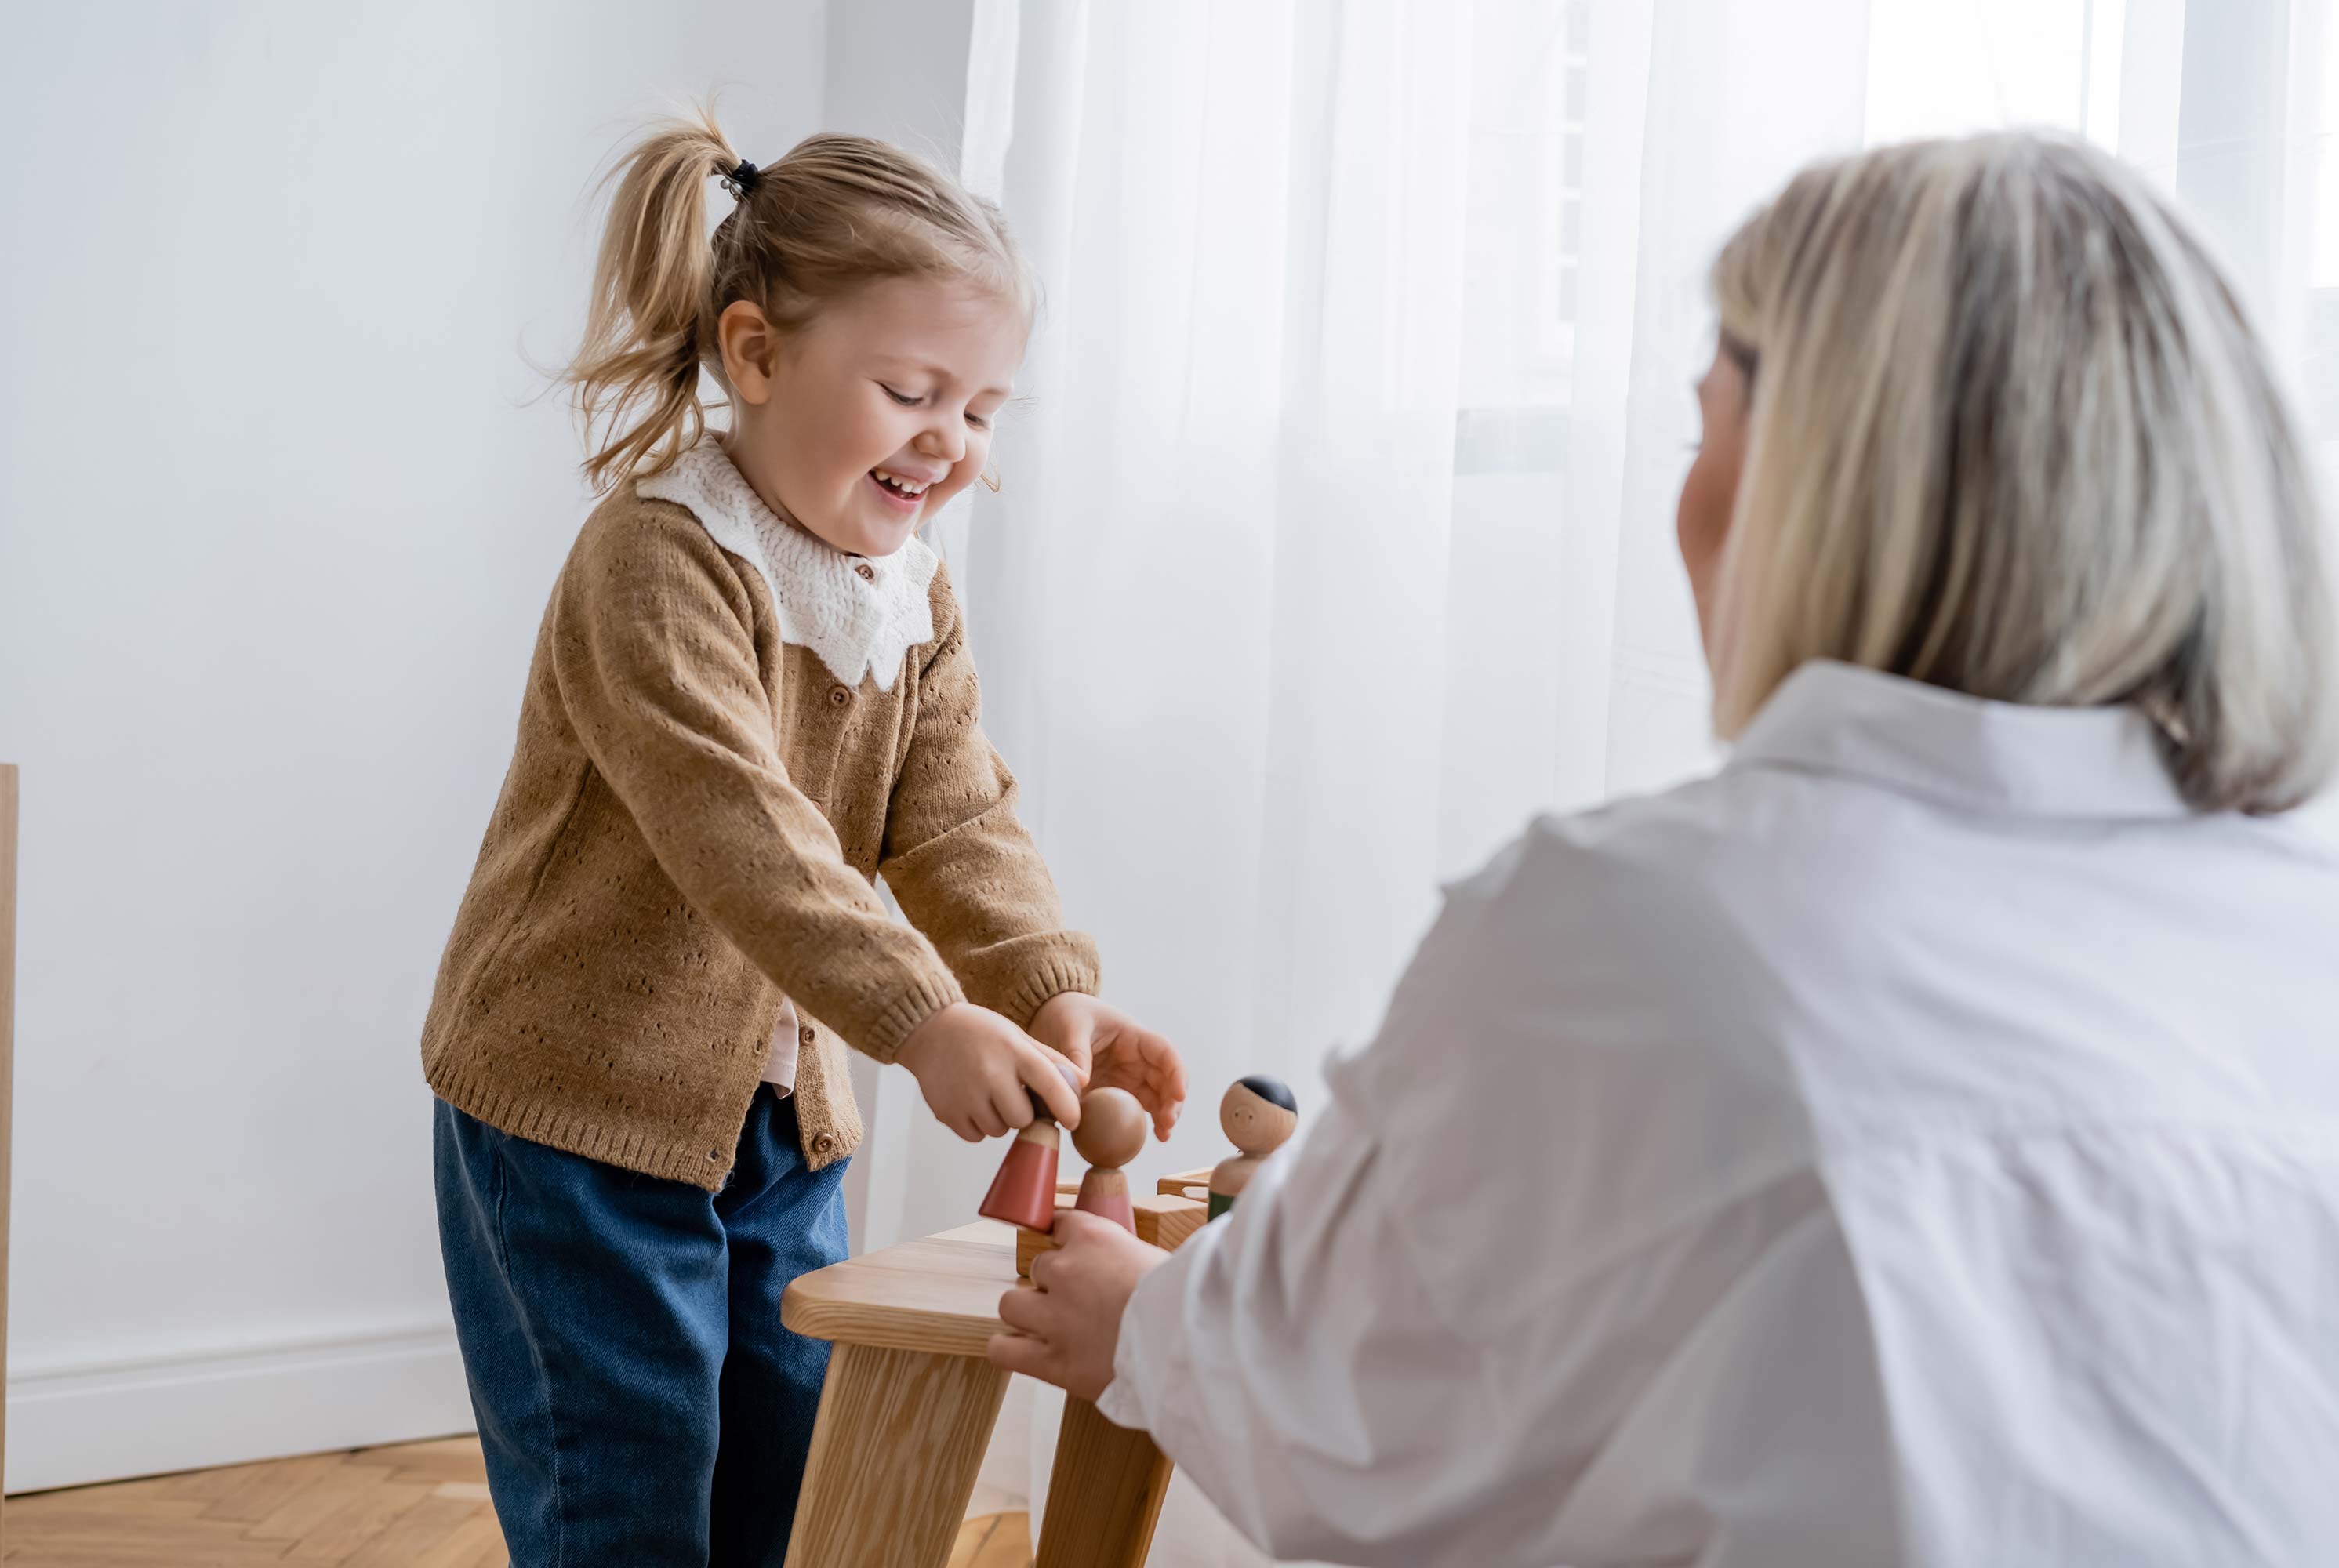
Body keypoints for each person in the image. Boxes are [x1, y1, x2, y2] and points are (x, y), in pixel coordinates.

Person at [993, 132, 2339, 1566]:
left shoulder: (1624, 925)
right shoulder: (2297, 923)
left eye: (1709, 433)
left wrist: (1146, 1317)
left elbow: (1339, 1407)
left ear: (1823, 494)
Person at [420, 109, 1187, 1566]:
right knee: (627, 1479)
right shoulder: (653, 560)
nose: (950, 445)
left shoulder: (910, 588)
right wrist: (922, 1017)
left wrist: (1042, 987)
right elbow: (743, 837)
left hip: (773, 1120)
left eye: (983, 410)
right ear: (758, 355)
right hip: (576, 1111)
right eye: (912, 392)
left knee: (789, 1448)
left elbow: (955, 808)